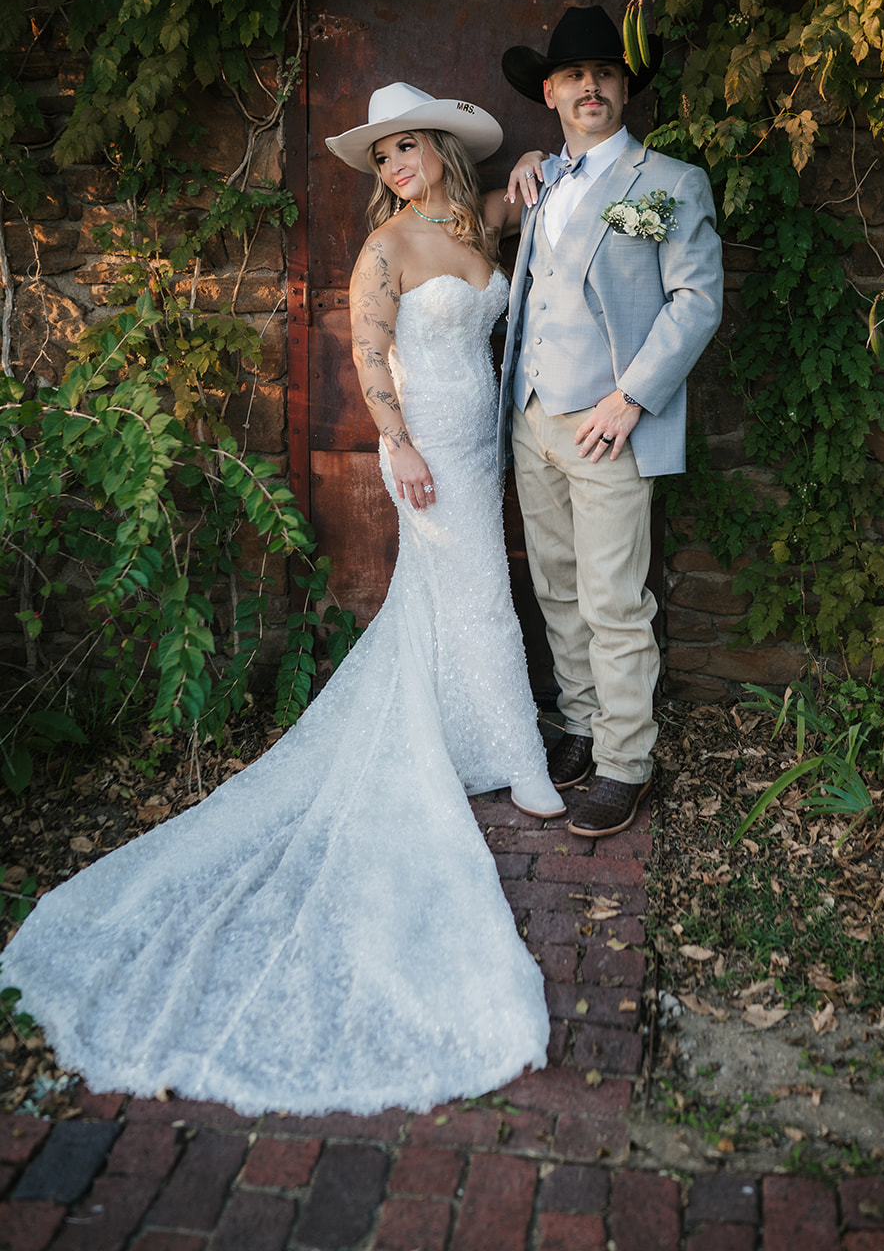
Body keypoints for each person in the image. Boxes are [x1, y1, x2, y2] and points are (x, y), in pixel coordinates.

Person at [0, 83, 563, 1118]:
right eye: (380, 157)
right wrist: (394, 441)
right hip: (428, 447)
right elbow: (365, 353)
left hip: (488, 440)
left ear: (440, 148)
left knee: (456, 596)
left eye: (405, 149)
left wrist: (530, 181)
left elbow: (528, 207)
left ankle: (467, 736)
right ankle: (518, 757)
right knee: (479, 587)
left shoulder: (474, 219)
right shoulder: (383, 249)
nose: (394, 167)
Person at [498, 5, 724, 837]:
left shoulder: (668, 183)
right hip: (532, 418)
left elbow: (696, 301)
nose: (590, 86)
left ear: (624, 90)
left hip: (610, 423)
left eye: (607, 74)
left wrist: (631, 396)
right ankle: (583, 726)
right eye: (575, 76)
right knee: (556, 588)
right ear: (551, 93)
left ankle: (628, 762)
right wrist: (531, 162)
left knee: (614, 600)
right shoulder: (542, 179)